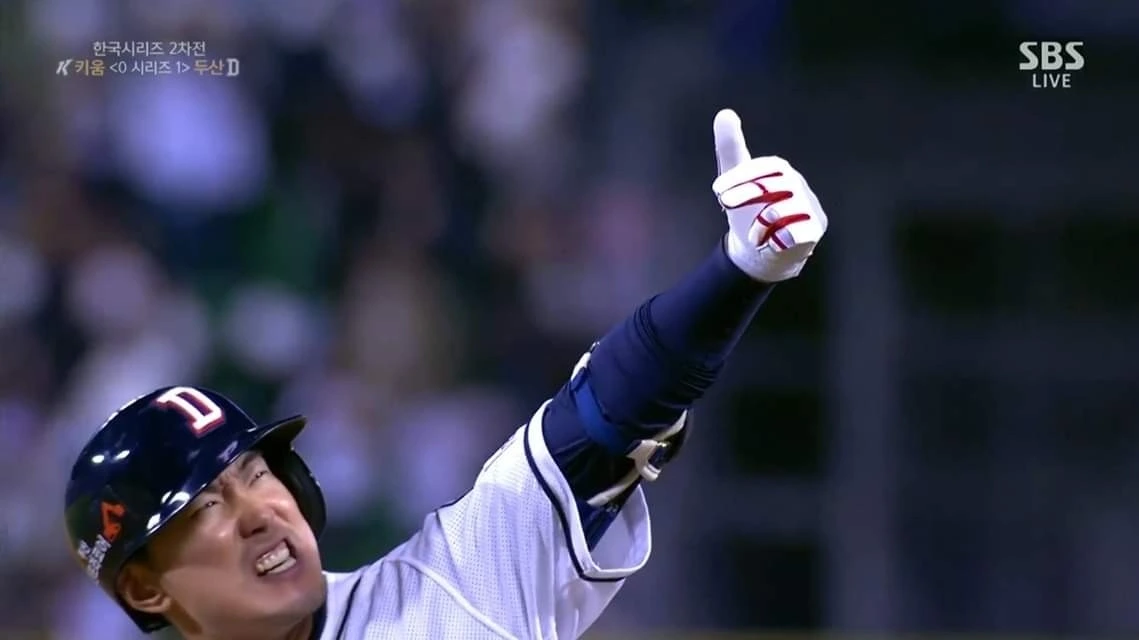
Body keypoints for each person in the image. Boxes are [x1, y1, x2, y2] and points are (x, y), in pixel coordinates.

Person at [63, 109, 828, 640]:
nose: (258, 512)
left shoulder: (450, 591)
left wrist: (736, 273)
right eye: (203, 506)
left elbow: (604, 415)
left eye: (256, 473)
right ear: (144, 588)